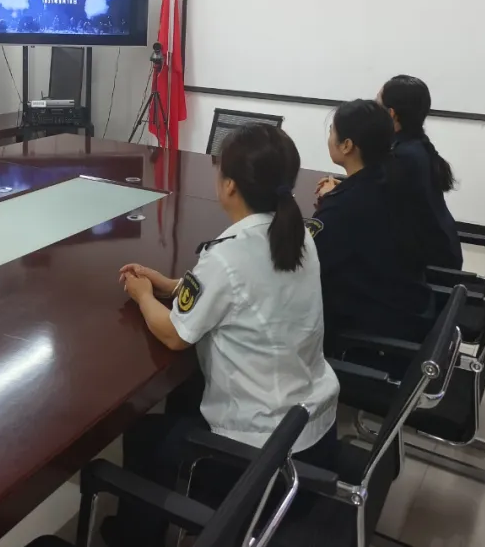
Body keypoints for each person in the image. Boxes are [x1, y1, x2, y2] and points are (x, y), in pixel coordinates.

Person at [107, 124, 340, 547]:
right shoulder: (297, 235)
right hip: (313, 434)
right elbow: (244, 291)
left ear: (230, 185)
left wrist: (142, 295)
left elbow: (174, 335)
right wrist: (170, 284)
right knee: (185, 396)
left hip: (259, 460)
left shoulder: (227, 256)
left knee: (144, 434)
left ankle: (132, 538)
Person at [312, 99, 434, 344]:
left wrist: (337, 197)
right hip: (410, 306)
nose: (329, 138)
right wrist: (342, 190)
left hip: (374, 330)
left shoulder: (342, 209)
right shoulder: (396, 178)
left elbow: (307, 266)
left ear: (347, 145)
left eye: (332, 132)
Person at [378, 75, 463, 270]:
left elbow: (374, 204)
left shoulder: (403, 156)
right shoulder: (415, 146)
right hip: (440, 251)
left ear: (391, 114)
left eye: (377, 104)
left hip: (431, 267)